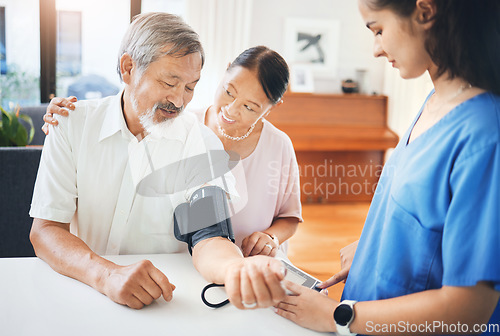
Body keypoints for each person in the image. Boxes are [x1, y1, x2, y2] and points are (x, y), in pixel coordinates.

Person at [30, 12, 286, 311]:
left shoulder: (200, 144)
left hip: (160, 304)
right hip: (79, 293)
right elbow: (46, 230)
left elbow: (209, 235)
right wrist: (105, 274)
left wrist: (235, 270)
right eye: (169, 82)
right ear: (128, 68)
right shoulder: (71, 124)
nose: (179, 101)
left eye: (190, 87)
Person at [273, 0, 500, 334]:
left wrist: (337, 316)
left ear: (425, 12)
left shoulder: (484, 134)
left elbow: (469, 309)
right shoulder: (436, 102)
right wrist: (372, 247)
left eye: (378, 30)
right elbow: (423, 219)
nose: (376, 50)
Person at [43, 46, 302, 259]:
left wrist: (270, 237)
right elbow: (131, 116)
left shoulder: (279, 146)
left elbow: (290, 218)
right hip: (190, 262)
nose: (231, 110)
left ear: (273, 106)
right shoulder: (180, 123)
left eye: (250, 107)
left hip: (252, 262)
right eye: (228, 92)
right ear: (224, 72)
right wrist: (71, 119)